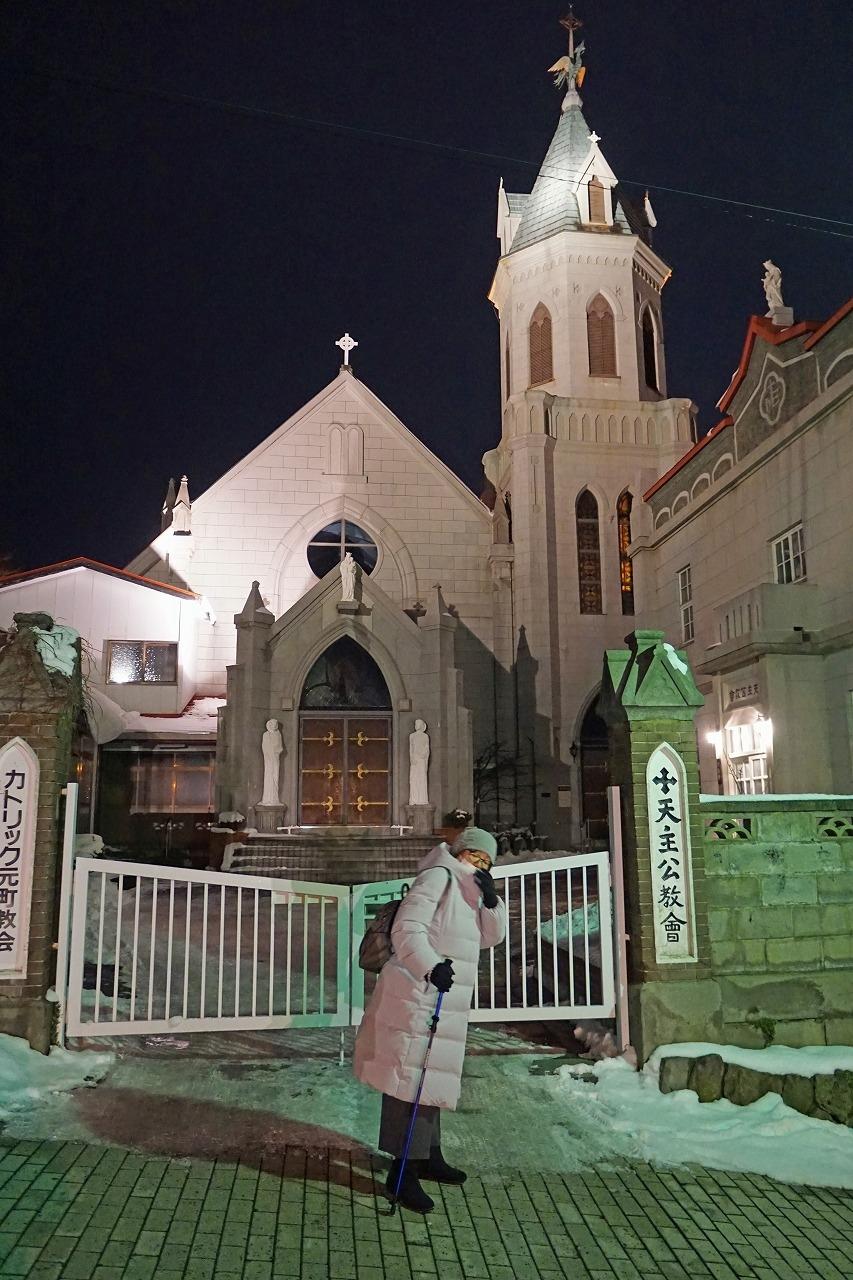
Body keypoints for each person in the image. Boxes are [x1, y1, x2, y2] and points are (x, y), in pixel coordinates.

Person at [353, 827, 506, 1213]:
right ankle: (402, 1172)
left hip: (442, 998)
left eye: (487, 861)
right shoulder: (438, 877)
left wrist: (491, 901)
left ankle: (428, 1155)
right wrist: (431, 966)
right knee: (408, 1081)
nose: (480, 864)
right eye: (474, 856)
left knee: (431, 1076)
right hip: (417, 995)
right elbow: (407, 929)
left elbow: (490, 938)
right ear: (459, 852)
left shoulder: (468, 888)